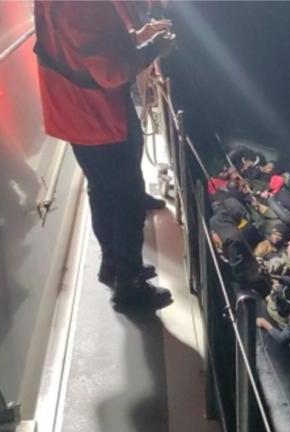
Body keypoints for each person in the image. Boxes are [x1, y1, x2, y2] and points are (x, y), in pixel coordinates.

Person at [34, 0, 175, 309]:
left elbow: (80, 49)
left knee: (101, 190)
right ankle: (130, 285)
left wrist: (136, 38)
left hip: (72, 114)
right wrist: (154, 49)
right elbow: (111, 72)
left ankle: (112, 263)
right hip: (99, 117)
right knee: (127, 201)